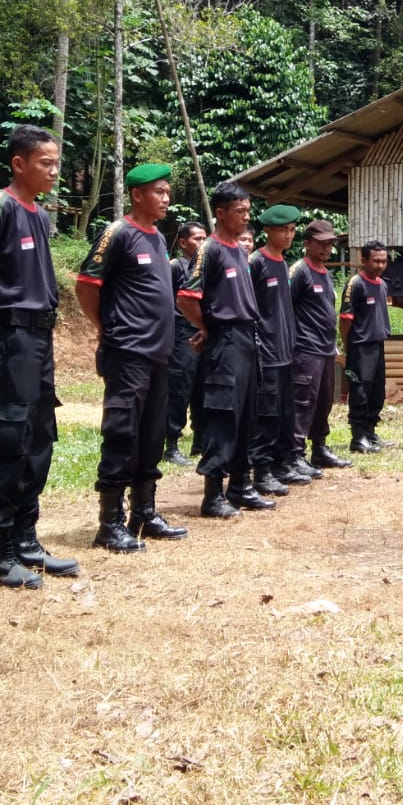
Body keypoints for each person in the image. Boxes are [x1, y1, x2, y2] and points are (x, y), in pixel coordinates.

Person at [0, 125, 79, 589]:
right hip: (12, 340)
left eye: (56, 162)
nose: (53, 170)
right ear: (19, 164)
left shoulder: (38, 214)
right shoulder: (0, 206)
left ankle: (26, 538)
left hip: (38, 343)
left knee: (39, 438)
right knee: (8, 441)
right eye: (45, 162)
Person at [75, 163, 188, 553]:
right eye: (159, 191)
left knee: (152, 434)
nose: (166, 198)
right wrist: (107, 327)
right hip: (128, 352)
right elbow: (86, 285)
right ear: (137, 194)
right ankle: (110, 522)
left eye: (168, 192)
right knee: (122, 433)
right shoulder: (117, 233)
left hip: (159, 354)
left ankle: (145, 512)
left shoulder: (157, 238)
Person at [177, 180, 270, 518]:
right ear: (220, 213)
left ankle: (241, 486)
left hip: (248, 339)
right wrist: (208, 327)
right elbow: (187, 298)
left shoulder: (238, 250)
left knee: (247, 413)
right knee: (223, 414)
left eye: (248, 211)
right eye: (240, 212)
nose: (246, 218)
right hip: (226, 340)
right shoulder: (210, 249)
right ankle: (213, 494)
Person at [248, 205, 306, 493]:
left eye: (292, 230)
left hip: (285, 350)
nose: (289, 235)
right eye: (283, 229)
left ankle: (281, 464)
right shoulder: (255, 262)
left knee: (285, 412)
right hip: (266, 352)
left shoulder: (282, 263)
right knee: (266, 415)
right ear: (268, 230)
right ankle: (261, 470)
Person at [289, 219, 347, 475]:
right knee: (303, 402)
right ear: (307, 244)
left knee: (324, 402)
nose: (326, 249)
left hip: (325, 348)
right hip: (305, 349)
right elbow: (285, 308)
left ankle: (320, 447)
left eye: (330, 244)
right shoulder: (299, 271)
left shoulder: (324, 272)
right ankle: (295, 453)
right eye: (321, 243)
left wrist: (334, 344)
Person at [340, 240, 391, 454]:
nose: (380, 265)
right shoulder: (355, 284)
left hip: (377, 345)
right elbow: (345, 320)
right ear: (363, 261)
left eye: (384, 261)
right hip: (360, 347)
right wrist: (347, 344)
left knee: (376, 392)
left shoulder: (382, 284)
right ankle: (358, 437)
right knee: (360, 391)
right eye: (376, 261)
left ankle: (370, 432)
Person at [163, 221, 207, 465]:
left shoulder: (206, 266)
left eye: (204, 238)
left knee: (203, 386)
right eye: (197, 239)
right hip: (182, 334)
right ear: (182, 243)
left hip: (204, 333)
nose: (202, 243)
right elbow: (165, 301)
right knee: (180, 387)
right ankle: (171, 444)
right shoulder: (175, 267)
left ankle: (200, 441)